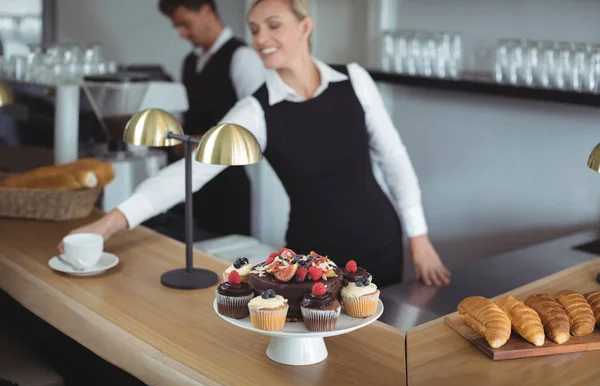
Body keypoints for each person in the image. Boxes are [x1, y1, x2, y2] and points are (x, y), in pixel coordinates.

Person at [62, 0, 450, 287]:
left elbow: (394, 157)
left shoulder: (354, 80)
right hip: (309, 261)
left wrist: (419, 240)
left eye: (273, 25)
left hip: (380, 243)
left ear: (305, 27)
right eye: (254, 28)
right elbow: (191, 171)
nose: (260, 38)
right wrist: (108, 224)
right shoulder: (255, 111)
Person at [158, 0, 265, 237]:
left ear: (206, 11)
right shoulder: (190, 62)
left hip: (229, 188)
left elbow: (259, 126)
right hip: (195, 181)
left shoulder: (242, 57)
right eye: (177, 27)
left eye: (185, 24)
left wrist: (197, 141)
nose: (182, 33)